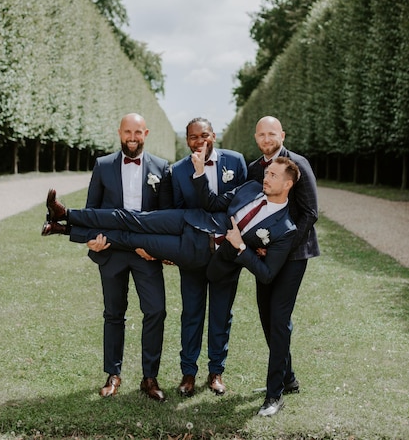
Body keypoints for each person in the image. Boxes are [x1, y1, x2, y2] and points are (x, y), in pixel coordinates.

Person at [42, 157, 299, 289]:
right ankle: (66, 214)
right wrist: (199, 175)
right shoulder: (252, 187)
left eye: (273, 176)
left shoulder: (285, 228)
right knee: (129, 218)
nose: (266, 178)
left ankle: (64, 230)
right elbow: (214, 203)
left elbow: (266, 275)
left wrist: (242, 248)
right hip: (190, 218)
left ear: (287, 184)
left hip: (199, 251)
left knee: (134, 240)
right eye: (267, 173)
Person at [75, 112, 173, 402]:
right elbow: (92, 209)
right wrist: (93, 241)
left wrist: (153, 247)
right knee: (113, 314)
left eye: (138, 132)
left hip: (146, 254)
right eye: (127, 132)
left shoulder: (161, 167)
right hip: (112, 252)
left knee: (156, 311)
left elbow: (165, 217)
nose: (132, 138)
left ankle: (149, 377)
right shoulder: (103, 165)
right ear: (120, 132)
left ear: (146, 133)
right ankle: (113, 374)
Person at [246, 116, 320, 417]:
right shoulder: (253, 170)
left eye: (272, 134)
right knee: (267, 318)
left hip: (293, 255)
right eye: (261, 134)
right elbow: (252, 210)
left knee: (279, 318)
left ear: (282, 135)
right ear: (256, 137)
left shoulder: (298, 164)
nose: (267, 139)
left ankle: (274, 394)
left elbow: (311, 212)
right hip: (263, 255)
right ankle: (288, 378)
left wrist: (283, 246)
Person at [171, 117, 247, 397]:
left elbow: (245, 206)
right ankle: (188, 373)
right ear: (187, 140)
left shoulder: (236, 162)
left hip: (226, 255)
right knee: (191, 314)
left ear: (214, 135)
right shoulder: (177, 170)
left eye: (204, 135)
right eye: (193, 137)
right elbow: (176, 214)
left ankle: (216, 372)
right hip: (192, 255)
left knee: (221, 314)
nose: (199, 141)